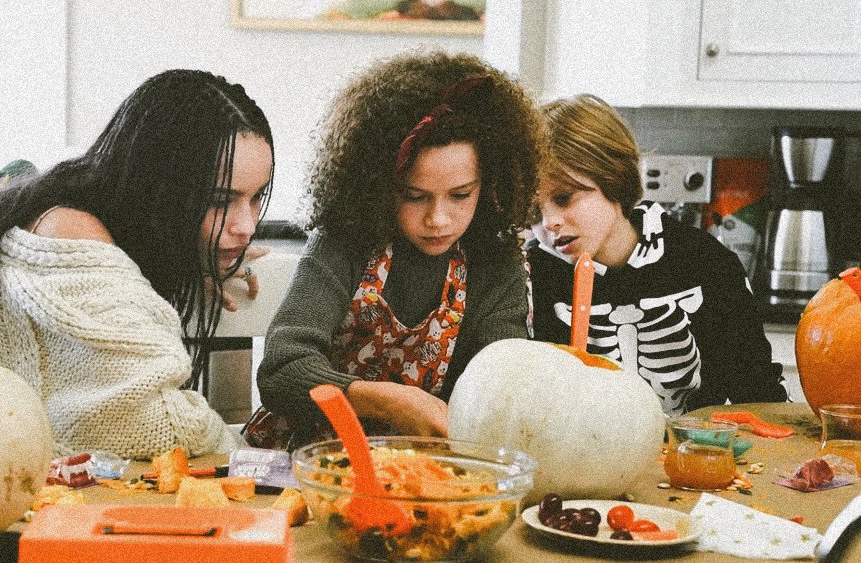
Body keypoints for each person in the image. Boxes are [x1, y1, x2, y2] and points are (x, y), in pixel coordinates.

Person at [0, 69, 274, 459]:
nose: (246, 226)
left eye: (256, 197)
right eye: (221, 201)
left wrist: (194, 261)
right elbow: (148, 423)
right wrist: (252, 455)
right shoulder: (70, 233)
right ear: (160, 189)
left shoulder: (80, 209)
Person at [244, 51, 546, 449]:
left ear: (490, 185)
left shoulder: (497, 261)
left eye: (460, 195)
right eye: (415, 196)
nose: (438, 219)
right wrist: (390, 401)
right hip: (310, 457)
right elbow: (283, 370)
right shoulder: (345, 243)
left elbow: (497, 387)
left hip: (431, 460)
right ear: (380, 186)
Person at [526, 93, 787, 415]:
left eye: (565, 198)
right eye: (532, 213)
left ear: (614, 180)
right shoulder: (530, 275)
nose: (549, 223)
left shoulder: (705, 264)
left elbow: (757, 391)